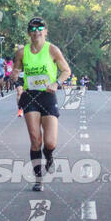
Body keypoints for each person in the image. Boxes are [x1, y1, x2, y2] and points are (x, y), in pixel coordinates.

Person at [12, 17, 71, 192]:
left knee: (50, 142)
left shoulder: (52, 50)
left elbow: (66, 70)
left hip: (47, 96)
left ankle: (49, 155)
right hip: (30, 96)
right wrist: (15, 80)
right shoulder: (22, 52)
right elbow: (16, 71)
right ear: (29, 32)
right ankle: (38, 179)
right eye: (33, 28)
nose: (36, 31)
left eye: (40, 28)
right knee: (35, 139)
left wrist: (57, 83)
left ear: (45, 31)